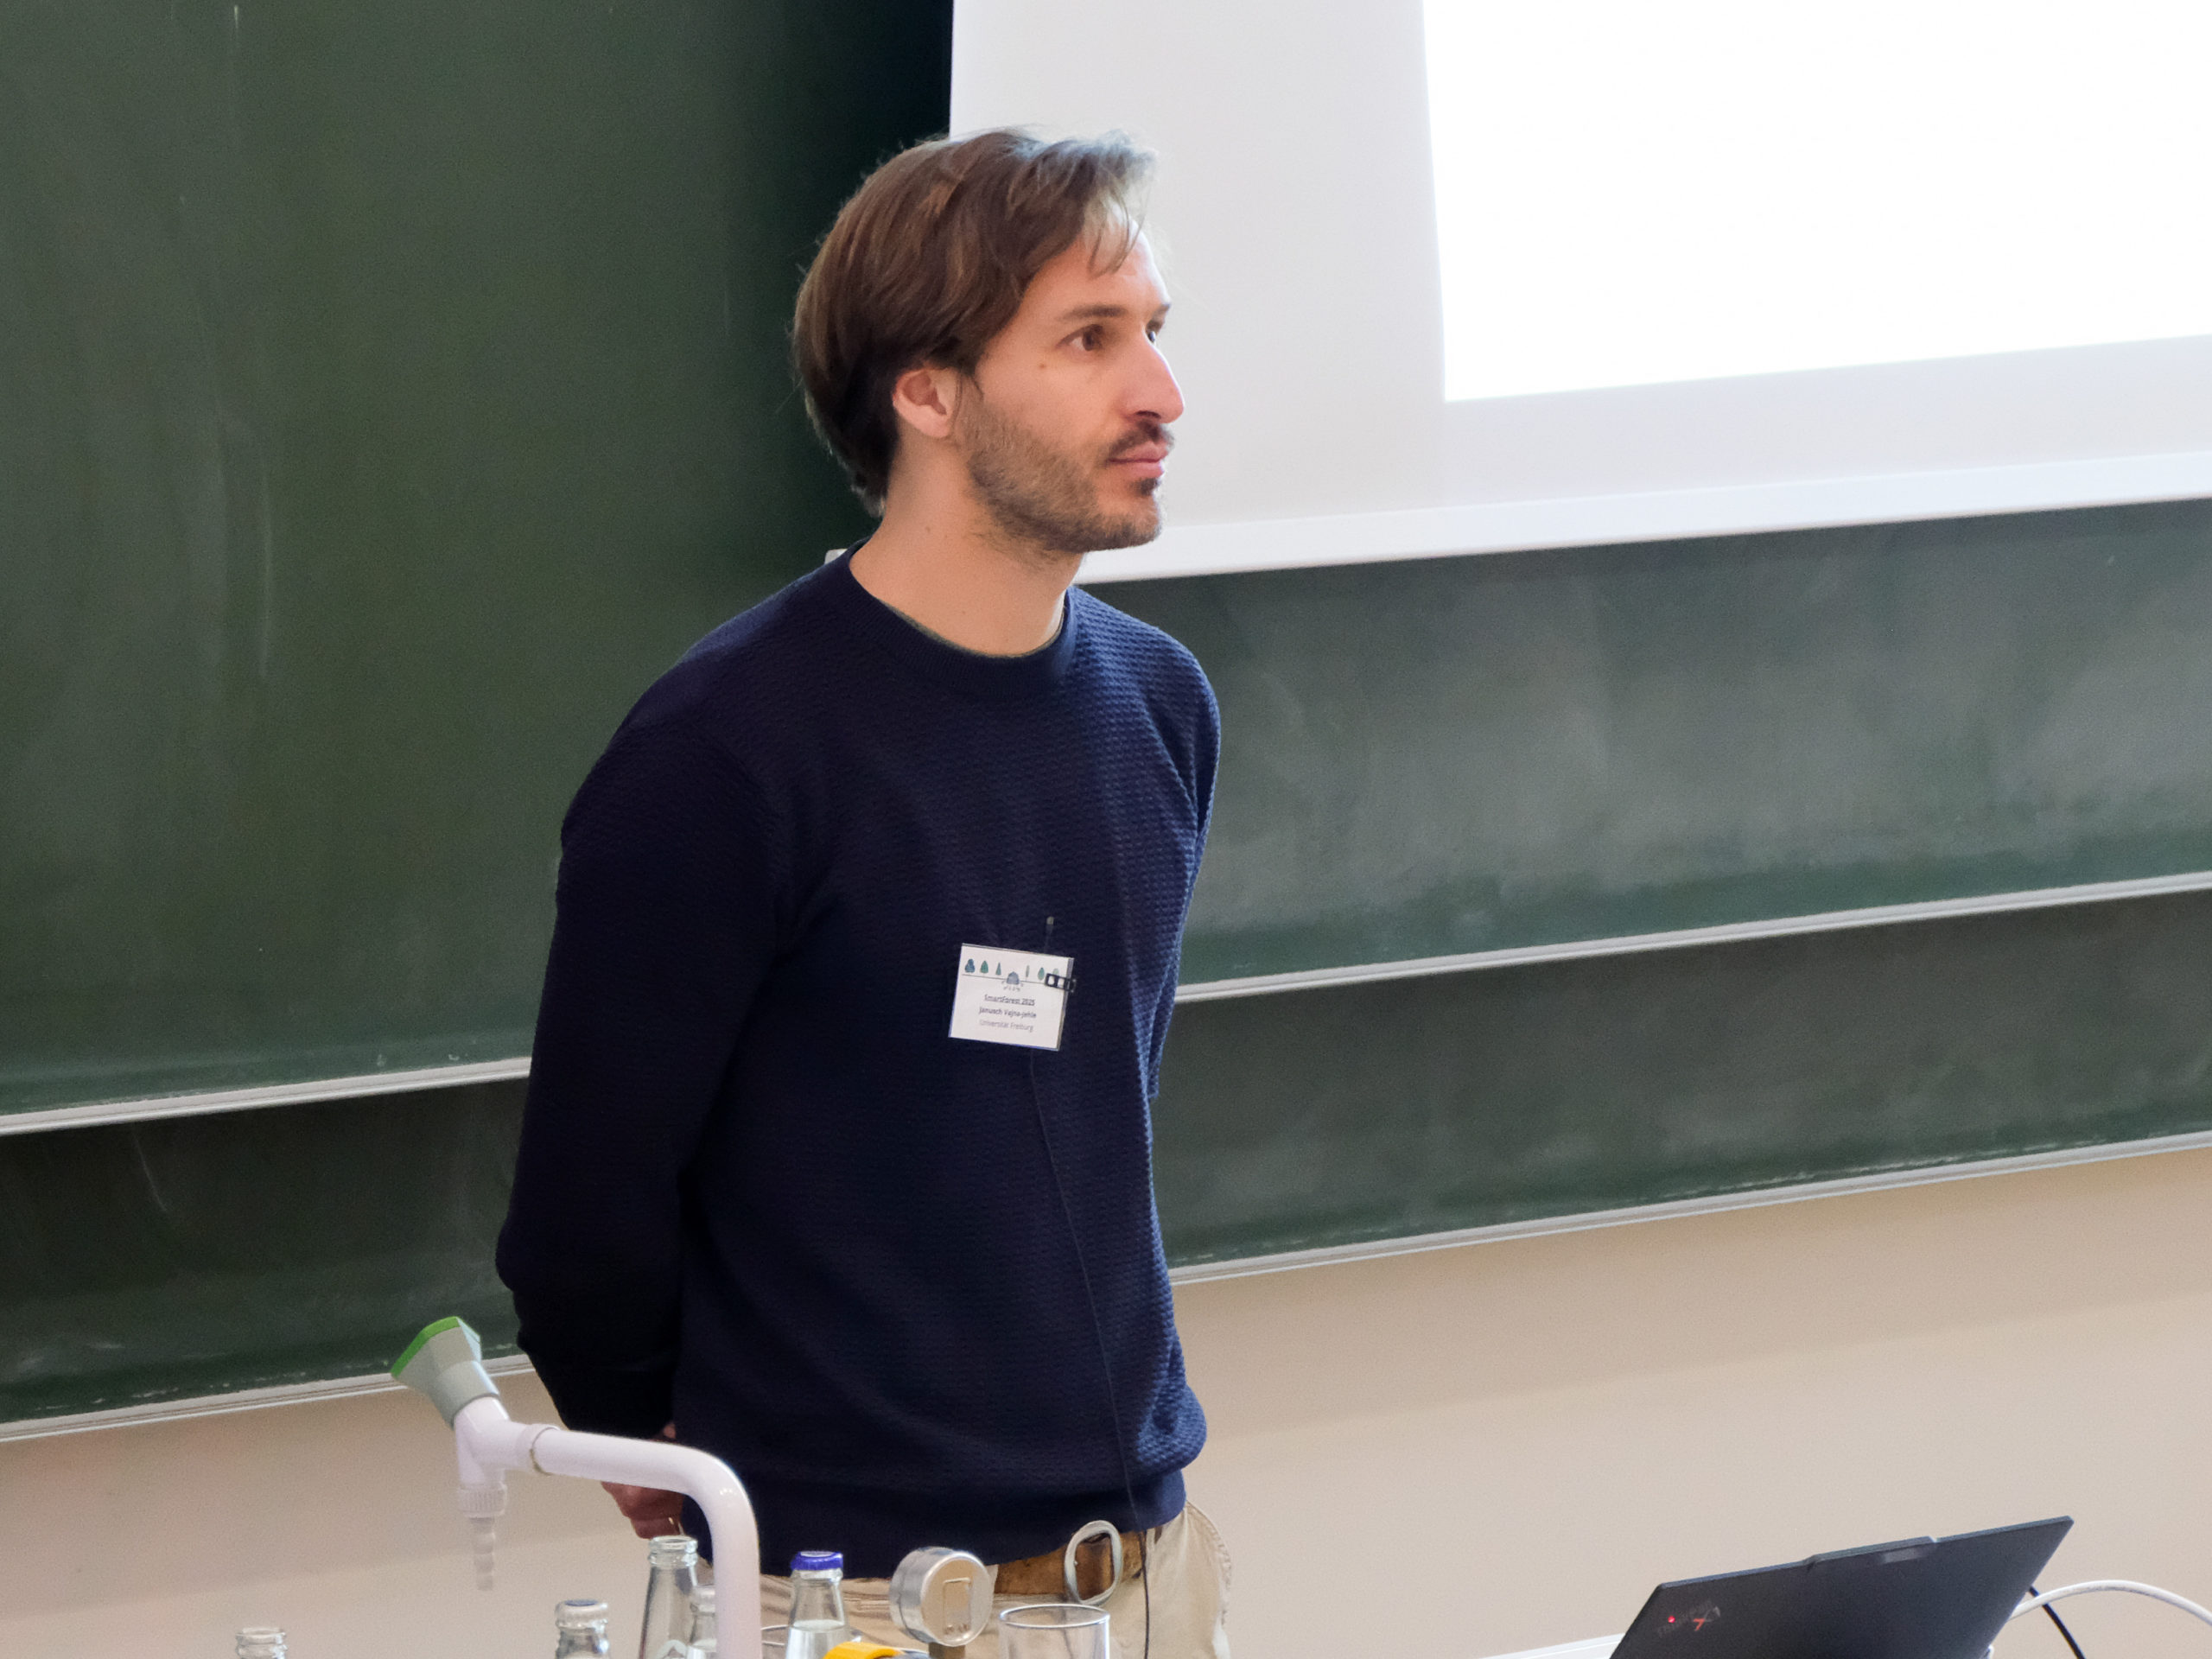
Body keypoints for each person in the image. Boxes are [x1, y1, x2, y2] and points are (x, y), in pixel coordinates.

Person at [495, 129, 1230, 1657]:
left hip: (1143, 1573)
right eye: (1089, 339)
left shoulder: (1159, 706)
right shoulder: (723, 754)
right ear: (928, 393)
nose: (1160, 391)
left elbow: (1089, 1114)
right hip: (845, 1598)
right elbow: (583, 1213)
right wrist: (654, 1438)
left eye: (1154, 332)